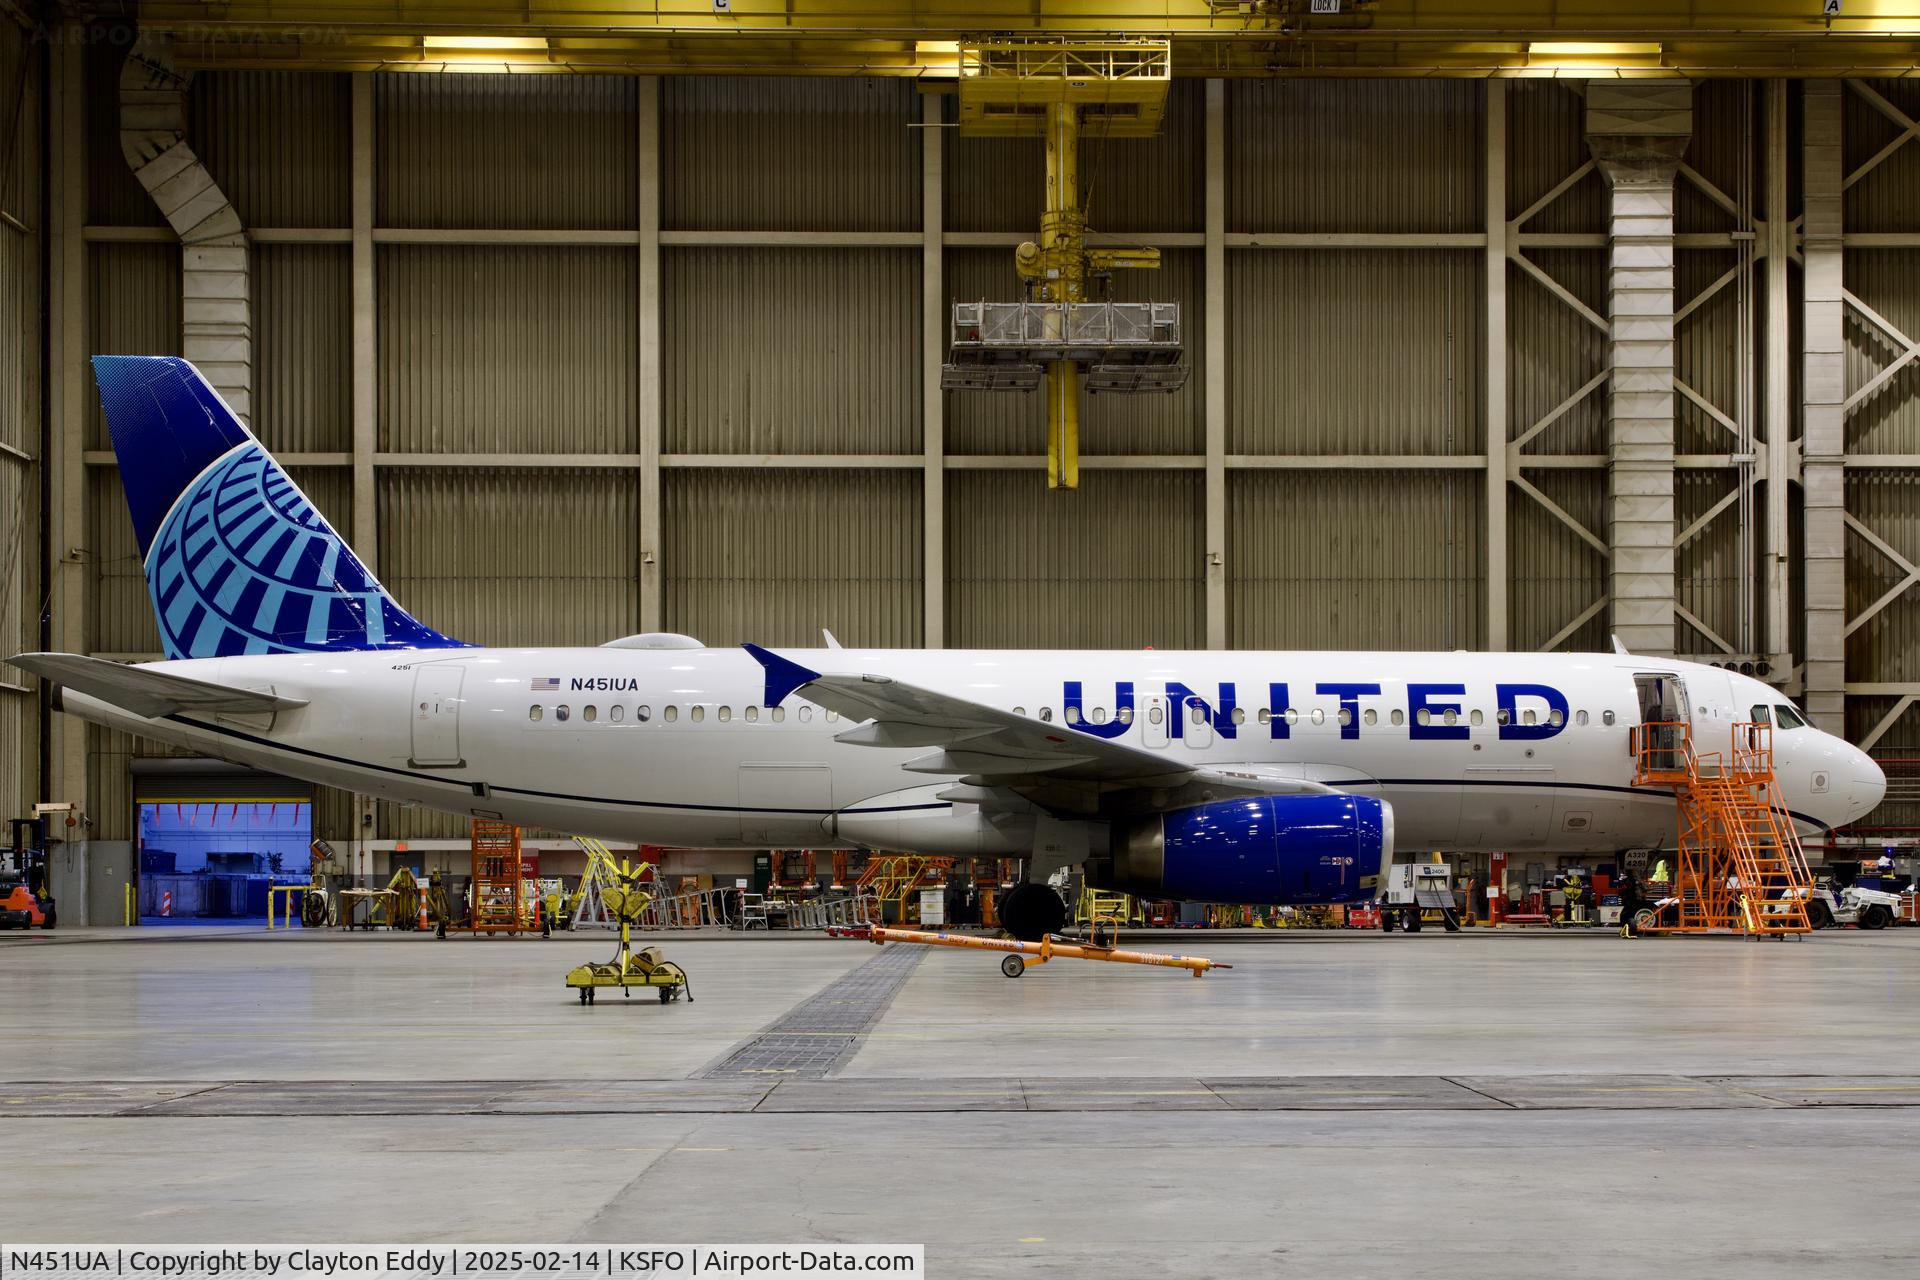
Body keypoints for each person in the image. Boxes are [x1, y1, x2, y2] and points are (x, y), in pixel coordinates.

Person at [1617, 867, 1641, 938]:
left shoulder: (1629, 881)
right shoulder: (1631, 881)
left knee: (1625, 915)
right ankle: (1627, 929)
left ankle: (1626, 929)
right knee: (1627, 915)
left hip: (1630, 901)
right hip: (1631, 901)